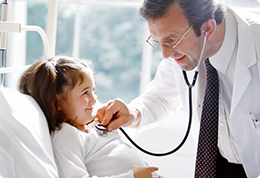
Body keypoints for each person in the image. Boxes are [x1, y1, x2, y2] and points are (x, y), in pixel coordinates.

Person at [96, 0, 260, 177]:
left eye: (171, 40)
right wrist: (132, 114)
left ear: (208, 29)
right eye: (159, 42)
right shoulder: (182, 51)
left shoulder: (255, 42)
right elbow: (162, 98)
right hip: (217, 164)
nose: (166, 54)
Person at [18, 56, 161, 178]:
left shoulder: (95, 124)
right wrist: (132, 176)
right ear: (58, 102)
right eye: (85, 93)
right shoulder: (66, 135)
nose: (94, 99)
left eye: (93, 90)